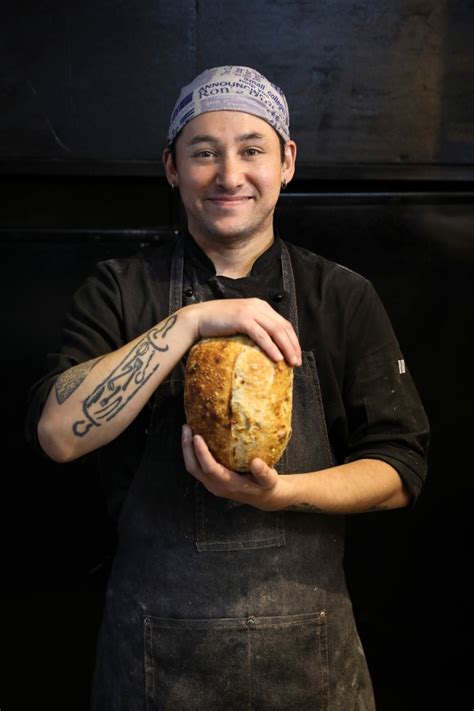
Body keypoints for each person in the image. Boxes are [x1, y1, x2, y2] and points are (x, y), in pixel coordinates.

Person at [26, 65, 429, 710]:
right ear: (171, 167)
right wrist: (192, 322)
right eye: (204, 153)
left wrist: (282, 494)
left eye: (252, 150)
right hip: (156, 663)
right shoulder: (119, 290)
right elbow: (56, 435)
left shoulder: (341, 297)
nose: (230, 175)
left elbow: (401, 469)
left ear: (288, 161)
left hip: (309, 663)